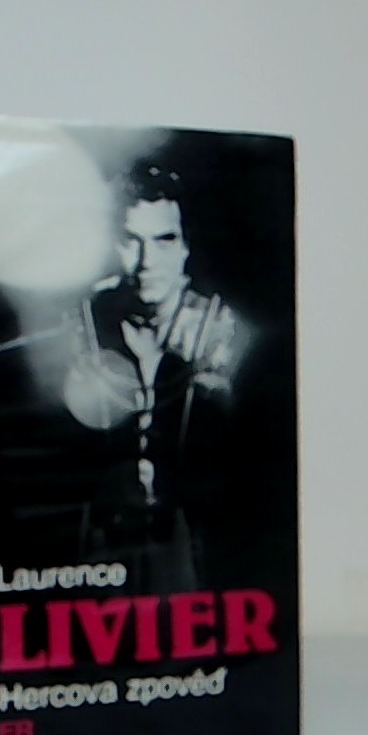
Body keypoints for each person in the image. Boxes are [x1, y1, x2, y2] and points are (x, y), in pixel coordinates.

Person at [61, 162, 243, 592]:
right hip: (100, 545)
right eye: (131, 240)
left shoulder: (223, 332)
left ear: (186, 246)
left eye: (165, 239)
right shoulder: (81, 326)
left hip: (193, 545)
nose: (147, 262)